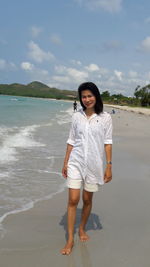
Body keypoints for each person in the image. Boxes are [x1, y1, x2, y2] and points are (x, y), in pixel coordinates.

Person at [61, 82, 113, 255]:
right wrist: (65, 162)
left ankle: (82, 228)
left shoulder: (105, 117)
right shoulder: (77, 116)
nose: (87, 99)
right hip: (76, 161)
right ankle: (70, 239)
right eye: (84, 96)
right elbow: (71, 140)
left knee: (87, 200)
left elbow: (107, 143)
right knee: (73, 200)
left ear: (96, 96)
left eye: (90, 95)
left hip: (94, 165)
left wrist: (109, 166)